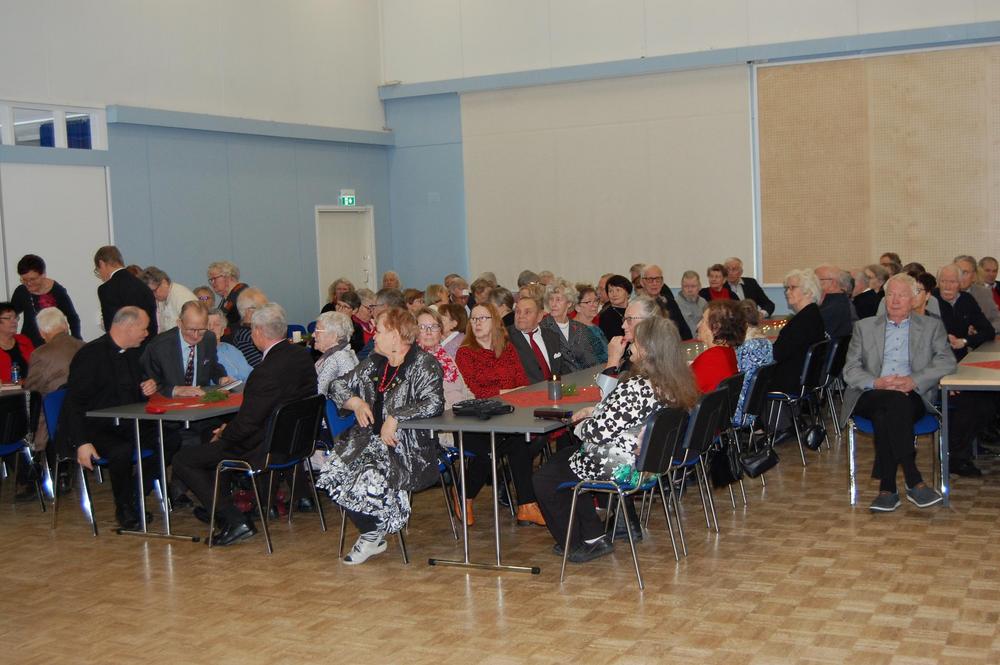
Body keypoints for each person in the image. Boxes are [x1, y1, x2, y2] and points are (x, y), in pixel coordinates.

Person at [532, 316, 700, 562]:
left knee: (544, 478)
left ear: (647, 349)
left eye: (636, 341)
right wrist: (596, 411)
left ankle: (575, 543)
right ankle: (594, 537)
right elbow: (629, 416)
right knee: (565, 462)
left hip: (622, 467)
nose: (631, 345)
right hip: (652, 466)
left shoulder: (635, 387)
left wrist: (580, 424)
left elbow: (596, 433)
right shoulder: (675, 383)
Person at [171, 303, 317, 546]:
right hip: (295, 442)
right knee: (212, 447)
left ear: (257, 332)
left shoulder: (265, 372)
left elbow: (248, 423)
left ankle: (233, 519)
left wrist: (225, 433)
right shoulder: (302, 356)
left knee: (184, 459)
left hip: (263, 447)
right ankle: (220, 508)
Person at [317, 307, 444, 564]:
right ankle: (373, 530)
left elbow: (433, 403)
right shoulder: (375, 362)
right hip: (366, 440)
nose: (374, 336)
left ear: (396, 335)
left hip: (405, 445)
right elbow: (337, 385)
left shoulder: (423, 364)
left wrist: (396, 418)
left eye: (380, 331)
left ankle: (371, 535)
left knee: (367, 474)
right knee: (332, 471)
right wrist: (355, 402)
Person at [841, 273, 954, 512]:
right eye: (890, 294)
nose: (894, 300)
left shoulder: (931, 326)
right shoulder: (864, 327)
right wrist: (877, 382)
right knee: (892, 402)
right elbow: (850, 370)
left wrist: (914, 380)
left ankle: (888, 488)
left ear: (913, 299)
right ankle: (913, 479)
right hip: (870, 393)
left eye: (902, 295)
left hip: (912, 394)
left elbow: (946, 361)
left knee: (886, 414)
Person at [58, 307, 163, 530]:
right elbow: (73, 403)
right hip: (96, 428)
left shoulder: (133, 353)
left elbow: (135, 392)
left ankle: (135, 493)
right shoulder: (90, 355)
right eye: (144, 329)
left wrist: (148, 386)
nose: (147, 333)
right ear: (128, 327)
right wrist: (82, 442)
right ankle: (124, 507)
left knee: (169, 439)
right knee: (121, 450)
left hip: (128, 424)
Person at [454, 303, 529, 525]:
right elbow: (474, 392)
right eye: (474, 319)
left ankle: (527, 505)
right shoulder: (465, 353)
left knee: (521, 443)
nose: (477, 323)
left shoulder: (507, 349)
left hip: (506, 416)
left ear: (495, 322)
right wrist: (505, 392)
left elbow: (523, 383)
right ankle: (464, 496)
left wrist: (509, 393)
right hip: (474, 420)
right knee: (489, 451)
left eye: (482, 318)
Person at [933, 264, 996, 477]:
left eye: (952, 282)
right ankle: (956, 457)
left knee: (988, 401)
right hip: (940, 368)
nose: (947, 286)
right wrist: (944, 339)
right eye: (943, 281)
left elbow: (988, 331)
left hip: (962, 364)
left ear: (960, 284)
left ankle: (965, 448)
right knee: (969, 402)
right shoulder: (932, 301)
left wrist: (965, 340)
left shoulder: (966, 300)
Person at [23, 308, 83, 453]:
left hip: (54, 422)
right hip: (83, 417)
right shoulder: (85, 347)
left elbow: (32, 393)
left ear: (42, 333)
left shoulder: (40, 354)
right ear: (66, 326)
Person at [140, 301, 229, 398]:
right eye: (191, 330)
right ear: (179, 323)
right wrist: (176, 390)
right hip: (170, 402)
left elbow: (212, 366)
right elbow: (149, 383)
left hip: (201, 399)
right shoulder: (159, 346)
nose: (195, 336)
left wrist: (221, 378)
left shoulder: (208, 338)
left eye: (201, 330)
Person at [771, 269, 826, 397]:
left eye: (792, 288)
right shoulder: (812, 315)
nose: (787, 292)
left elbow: (777, 354)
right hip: (802, 378)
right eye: (787, 288)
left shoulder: (803, 321)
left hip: (789, 381)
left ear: (809, 292)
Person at [11, 254, 81, 346]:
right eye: (24, 280)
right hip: (29, 345)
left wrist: (76, 341)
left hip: (54, 345)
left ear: (43, 275)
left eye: (32, 279)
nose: (28, 283)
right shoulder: (21, 291)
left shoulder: (57, 291)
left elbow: (73, 317)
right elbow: (9, 316)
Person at [94, 245, 158, 339]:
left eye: (98, 269)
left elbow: (111, 327)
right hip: (149, 343)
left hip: (126, 345)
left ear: (102, 263)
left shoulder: (106, 289)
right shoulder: (143, 285)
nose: (100, 275)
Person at [416, 307, 473, 410]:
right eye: (422, 327)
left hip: (463, 410)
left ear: (440, 331)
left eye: (434, 326)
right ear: (415, 331)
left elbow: (464, 389)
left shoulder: (445, 356)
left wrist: (474, 405)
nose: (429, 332)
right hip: (445, 415)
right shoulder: (415, 361)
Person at [508, 293, 573, 382]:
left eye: (527, 312)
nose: (521, 316)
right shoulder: (506, 339)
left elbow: (563, 369)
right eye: (518, 311)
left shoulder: (552, 336)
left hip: (556, 387)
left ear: (539, 316)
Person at [540, 282, 598, 371]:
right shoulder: (542, 328)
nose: (553, 304)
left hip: (584, 375)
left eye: (558, 299)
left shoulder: (580, 328)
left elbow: (590, 360)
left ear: (569, 303)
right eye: (551, 299)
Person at [734, 300, 773, 425]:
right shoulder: (767, 343)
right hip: (757, 405)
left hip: (740, 409)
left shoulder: (746, 347)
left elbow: (738, 378)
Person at [690, 300, 743, 393]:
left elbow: (681, 391)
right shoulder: (730, 353)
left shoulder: (710, 359)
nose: (698, 325)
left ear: (716, 327)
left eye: (703, 320)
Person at [638, 264, 692, 339]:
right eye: (650, 280)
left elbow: (684, 330)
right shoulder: (638, 305)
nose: (654, 283)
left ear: (662, 282)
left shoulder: (670, 302)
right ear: (642, 282)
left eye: (658, 279)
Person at [139, 266, 198, 334]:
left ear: (164, 282)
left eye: (154, 291)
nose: (153, 296)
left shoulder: (182, 297)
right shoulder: (162, 298)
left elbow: (192, 329)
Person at [312, 310, 359, 396]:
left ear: (333, 335)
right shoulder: (341, 352)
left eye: (317, 330)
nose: (313, 335)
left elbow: (319, 394)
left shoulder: (339, 357)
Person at [954, 255, 1000, 330]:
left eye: (965, 272)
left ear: (974, 275)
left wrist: (982, 329)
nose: (960, 276)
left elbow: (997, 320)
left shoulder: (984, 293)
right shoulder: (942, 293)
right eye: (957, 272)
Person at [207, 308, 253, 382]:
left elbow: (250, 372)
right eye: (207, 325)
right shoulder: (202, 353)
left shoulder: (231, 348)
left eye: (216, 324)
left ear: (223, 330)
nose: (211, 328)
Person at [815, 264, 858, 338]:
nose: (812, 284)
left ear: (833, 282)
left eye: (816, 280)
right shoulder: (840, 300)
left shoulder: (835, 306)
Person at [206, 260, 248, 336]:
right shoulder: (226, 298)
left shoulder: (241, 294)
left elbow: (233, 326)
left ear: (228, 276)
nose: (212, 283)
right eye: (211, 280)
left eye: (214, 278)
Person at [232, 287, 269, 367]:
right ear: (248, 311)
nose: (266, 312)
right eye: (261, 308)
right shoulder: (245, 337)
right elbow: (260, 367)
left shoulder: (256, 331)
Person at [571, 284, 608, 363]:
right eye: (589, 302)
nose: (595, 305)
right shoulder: (575, 330)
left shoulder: (595, 328)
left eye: (596, 300)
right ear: (577, 307)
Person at [0, 303, 34, 383]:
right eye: (8, 318)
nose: (14, 321)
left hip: (30, 388)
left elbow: (37, 366)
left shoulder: (24, 340)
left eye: (15, 317)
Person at [598, 274, 633, 341]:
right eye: (610, 291)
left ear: (628, 293)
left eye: (618, 290)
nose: (614, 294)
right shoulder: (605, 316)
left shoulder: (634, 310)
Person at [676, 270, 708, 338]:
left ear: (699, 286)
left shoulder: (703, 302)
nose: (690, 290)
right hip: (683, 341)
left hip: (703, 339)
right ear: (681, 287)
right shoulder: (675, 303)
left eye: (693, 286)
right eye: (686, 286)